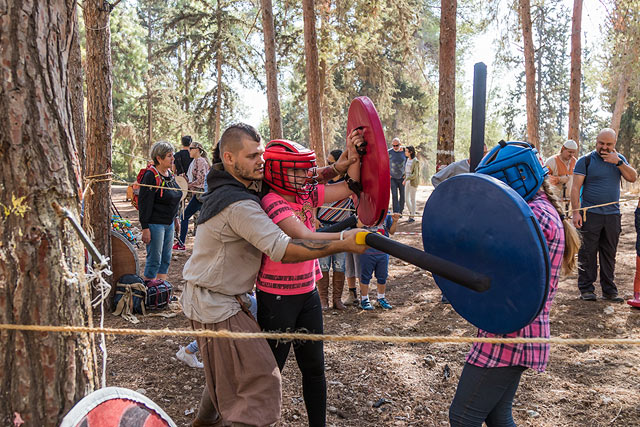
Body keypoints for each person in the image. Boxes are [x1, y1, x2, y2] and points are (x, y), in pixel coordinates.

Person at [181, 123, 367, 427]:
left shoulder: (233, 181)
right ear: (229, 157)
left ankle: (201, 423)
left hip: (233, 298)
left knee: (227, 374)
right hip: (216, 302)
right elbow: (286, 247)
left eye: (261, 154)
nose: (261, 162)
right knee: (260, 383)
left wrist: (336, 167)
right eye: (253, 155)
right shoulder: (241, 204)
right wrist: (342, 242)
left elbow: (296, 179)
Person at [449, 141, 581, 426]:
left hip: (512, 331)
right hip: (517, 326)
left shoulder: (534, 217)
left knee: (463, 417)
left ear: (517, 177)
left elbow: (496, 267)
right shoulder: (538, 208)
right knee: (498, 416)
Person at [256, 136, 362, 427]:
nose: (306, 175)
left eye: (307, 170)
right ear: (278, 171)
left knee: (314, 369)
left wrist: (355, 154)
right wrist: (344, 239)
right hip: (276, 298)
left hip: (307, 293)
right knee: (271, 372)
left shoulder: (306, 194)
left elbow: (349, 187)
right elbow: (303, 235)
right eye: (299, 170)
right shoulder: (270, 200)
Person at [571, 128, 637, 302]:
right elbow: (575, 188)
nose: (604, 147)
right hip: (590, 214)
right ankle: (586, 289)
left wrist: (618, 163)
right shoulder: (584, 161)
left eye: (609, 144)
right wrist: (576, 212)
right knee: (587, 252)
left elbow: (633, 178)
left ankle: (609, 290)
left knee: (609, 252)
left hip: (612, 215)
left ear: (614, 144)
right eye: (601, 143)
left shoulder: (619, 160)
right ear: (596, 141)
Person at [315, 149, 354, 310]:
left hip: (342, 230)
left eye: (332, 163)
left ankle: (337, 300)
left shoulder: (349, 184)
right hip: (323, 227)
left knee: (340, 265)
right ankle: (323, 300)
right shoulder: (323, 182)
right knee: (323, 264)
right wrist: (314, 218)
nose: (329, 166)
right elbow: (313, 200)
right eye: (329, 162)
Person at [139, 141, 182, 281]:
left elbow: (174, 198)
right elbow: (144, 204)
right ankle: (149, 291)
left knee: (165, 259)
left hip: (169, 223)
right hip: (155, 224)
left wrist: (176, 219)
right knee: (154, 259)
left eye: (172, 155)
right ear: (159, 158)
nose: (172, 159)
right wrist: (145, 228)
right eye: (169, 156)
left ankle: (161, 290)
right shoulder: (151, 176)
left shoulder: (170, 174)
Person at [358, 212, 399, 310]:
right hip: (367, 251)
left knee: (382, 276)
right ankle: (364, 299)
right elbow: (358, 225)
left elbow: (392, 231)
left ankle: (381, 298)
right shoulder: (365, 211)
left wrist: (395, 221)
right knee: (365, 276)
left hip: (383, 251)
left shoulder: (386, 214)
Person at [174, 141, 211, 251]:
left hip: (200, 194)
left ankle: (181, 244)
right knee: (203, 220)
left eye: (191, 148)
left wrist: (187, 185)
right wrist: (185, 180)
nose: (189, 150)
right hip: (200, 194)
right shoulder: (197, 161)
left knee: (184, 217)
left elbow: (201, 179)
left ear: (198, 150)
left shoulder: (200, 161)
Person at [545, 139, 578, 210]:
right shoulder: (551, 161)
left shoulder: (575, 162)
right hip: (555, 201)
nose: (571, 155)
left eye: (573, 153)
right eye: (569, 152)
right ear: (563, 148)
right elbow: (545, 180)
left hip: (570, 201)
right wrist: (559, 179)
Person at [388, 137, 406, 214]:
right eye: (393, 145)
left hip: (402, 177)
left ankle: (400, 211)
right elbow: (383, 163)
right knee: (394, 195)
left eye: (397, 145)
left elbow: (410, 162)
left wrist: (406, 174)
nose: (395, 147)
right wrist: (387, 173)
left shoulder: (404, 152)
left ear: (400, 144)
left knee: (402, 195)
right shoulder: (388, 152)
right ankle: (396, 212)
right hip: (392, 178)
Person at [403, 146, 420, 223]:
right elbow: (406, 171)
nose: (405, 152)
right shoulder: (407, 160)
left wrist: (407, 179)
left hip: (412, 182)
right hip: (407, 181)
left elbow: (415, 174)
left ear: (411, 152)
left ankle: (412, 216)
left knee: (412, 199)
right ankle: (411, 212)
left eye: (406, 151)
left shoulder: (415, 161)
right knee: (406, 199)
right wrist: (405, 177)